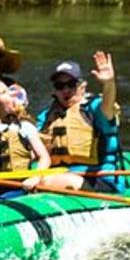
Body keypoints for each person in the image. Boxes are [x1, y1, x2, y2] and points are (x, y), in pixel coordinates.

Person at [36, 51, 123, 191]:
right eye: (60, 86)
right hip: (57, 177)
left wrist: (109, 84)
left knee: (47, 182)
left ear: (82, 86)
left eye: (71, 84)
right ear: (55, 90)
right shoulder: (45, 117)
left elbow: (108, 106)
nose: (66, 90)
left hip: (97, 180)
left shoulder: (94, 108)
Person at [0, 78, 51, 197]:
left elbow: (44, 157)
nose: (12, 95)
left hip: (19, 186)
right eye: (4, 92)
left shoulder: (24, 127)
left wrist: (35, 178)